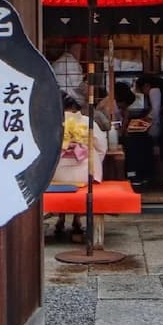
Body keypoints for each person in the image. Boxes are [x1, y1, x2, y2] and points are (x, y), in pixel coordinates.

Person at [52, 93, 107, 241]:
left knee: (61, 182)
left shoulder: (52, 123)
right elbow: (101, 146)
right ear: (77, 109)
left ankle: (61, 218)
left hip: (56, 173)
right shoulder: (87, 121)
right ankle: (77, 219)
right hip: (85, 172)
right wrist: (96, 163)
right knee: (81, 184)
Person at [123, 75, 163, 187]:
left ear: (146, 86)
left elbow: (155, 110)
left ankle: (136, 173)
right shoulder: (157, 91)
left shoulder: (154, 91)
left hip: (155, 125)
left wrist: (144, 121)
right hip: (155, 125)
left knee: (138, 142)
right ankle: (146, 174)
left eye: (142, 89)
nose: (143, 93)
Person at [52, 42, 87, 108]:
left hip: (58, 98)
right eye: (78, 49)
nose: (80, 52)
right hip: (68, 100)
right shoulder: (70, 61)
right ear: (72, 49)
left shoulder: (62, 60)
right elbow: (77, 85)